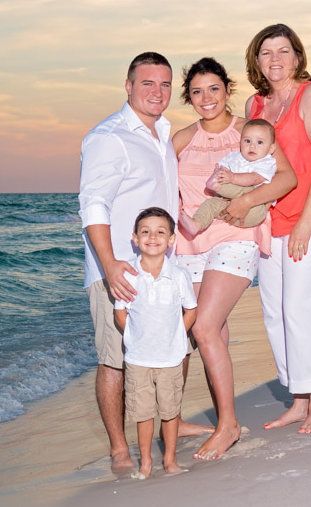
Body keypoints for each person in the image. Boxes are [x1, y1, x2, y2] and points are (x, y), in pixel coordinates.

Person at [79, 52, 209, 472]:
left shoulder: (164, 133)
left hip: (167, 267)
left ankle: (172, 418)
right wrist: (110, 264)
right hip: (121, 271)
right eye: (148, 83)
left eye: (165, 84)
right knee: (117, 356)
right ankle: (120, 446)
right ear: (129, 86)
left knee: (175, 346)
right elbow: (93, 204)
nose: (157, 92)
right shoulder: (109, 136)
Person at [172, 57, 297, 460]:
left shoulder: (251, 131)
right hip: (191, 241)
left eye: (213, 89)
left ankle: (227, 426)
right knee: (211, 332)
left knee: (205, 327)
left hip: (238, 235)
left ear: (227, 89)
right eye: (196, 91)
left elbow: (286, 178)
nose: (205, 98)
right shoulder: (180, 139)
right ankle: (225, 419)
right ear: (187, 97)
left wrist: (246, 201)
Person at [244, 24, 311, 435]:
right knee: (274, 312)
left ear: (297, 57)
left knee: (300, 309)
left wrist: (303, 223)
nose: (275, 59)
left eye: (283, 51)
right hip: (271, 225)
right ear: (257, 60)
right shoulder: (254, 104)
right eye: (266, 52)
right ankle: (298, 399)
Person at [114, 207, 198, 478]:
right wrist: (135, 336)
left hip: (170, 358)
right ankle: (146, 462)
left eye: (161, 232)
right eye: (145, 232)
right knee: (143, 413)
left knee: (170, 412)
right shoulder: (127, 276)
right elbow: (120, 313)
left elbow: (191, 310)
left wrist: (176, 334)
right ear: (135, 239)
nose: (153, 237)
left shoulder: (179, 275)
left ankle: (170, 460)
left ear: (171, 240)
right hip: (138, 358)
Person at [179, 118, 278, 237]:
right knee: (212, 204)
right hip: (231, 206)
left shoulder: (266, 162)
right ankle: (197, 224)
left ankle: (218, 185)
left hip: (256, 207)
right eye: (247, 141)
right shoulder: (235, 156)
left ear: (271, 148)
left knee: (245, 188)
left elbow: (254, 179)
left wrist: (232, 177)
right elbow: (221, 166)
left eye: (260, 142)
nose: (252, 146)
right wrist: (219, 172)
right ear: (240, 142)